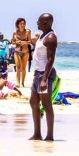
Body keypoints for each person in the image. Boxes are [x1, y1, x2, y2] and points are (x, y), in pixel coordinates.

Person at [29, 13, 58, 141]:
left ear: (46, 23)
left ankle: (50, 135)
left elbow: (51, 60)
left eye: (39, 21)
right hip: (38, 73)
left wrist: (44, 79)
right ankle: (37, 134)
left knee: (46, 104)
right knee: (33, 102)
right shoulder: (42, 35)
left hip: (44, 74)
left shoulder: (51, 38)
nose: (37, 23)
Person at [11, 18, 33, 89]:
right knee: (18, 67)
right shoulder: (15, 32)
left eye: (24, 23)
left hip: (25, 52)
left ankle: (22, 83)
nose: (22, 25)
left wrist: (24, 42)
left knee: (23, 68)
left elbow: (30, 41)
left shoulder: (28, 32)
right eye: (21, 24)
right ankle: (18, 83)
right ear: (18, 25)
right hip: (17, 52)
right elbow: (12, 42)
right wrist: (17, 42)